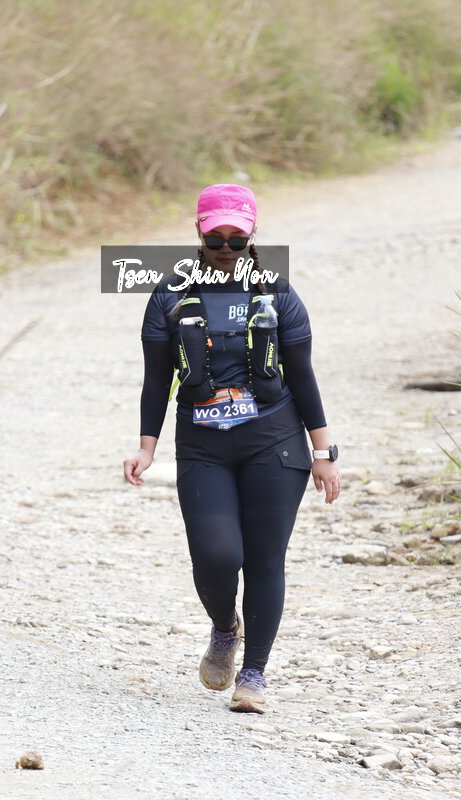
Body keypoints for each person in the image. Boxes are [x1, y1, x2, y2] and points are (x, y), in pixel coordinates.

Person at [124, 184, 341, 714]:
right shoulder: (169, 295)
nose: (226, 248)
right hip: (203, 444)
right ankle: (225, 627)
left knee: (265, 559)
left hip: (275, 441)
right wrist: (146, 448)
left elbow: (302, 375)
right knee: (216, 556)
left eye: (236, 239)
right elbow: (157, 380)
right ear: (198, 232)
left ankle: (254, 674)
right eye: (216, 237)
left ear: (252, 236)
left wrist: (324, 452)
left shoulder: (278, 294)